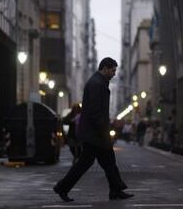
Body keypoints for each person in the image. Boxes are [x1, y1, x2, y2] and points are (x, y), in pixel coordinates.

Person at [53, 57, 134, 202]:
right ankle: (62, 187)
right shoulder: (97, 84)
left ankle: (116, 190)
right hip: (95, 134)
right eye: (113, 70)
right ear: (105, 68)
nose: (114, 73)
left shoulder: (98, 82)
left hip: (95, 133)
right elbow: (95, 112)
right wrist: (104, 129)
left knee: (108, 161)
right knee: (88, 163)